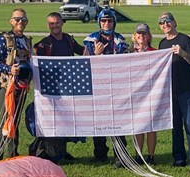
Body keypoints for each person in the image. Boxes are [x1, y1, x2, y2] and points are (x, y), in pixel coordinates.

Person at [33, 12, 86, 162]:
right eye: (51, 23)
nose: (55, 26)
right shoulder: (44, 44)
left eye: (57, 23)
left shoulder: (69, 39)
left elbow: (82, 51)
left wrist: (95, 50)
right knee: (53, 120)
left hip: (68, 88)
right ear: (47, 25)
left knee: (66, 120)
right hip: (51, 90)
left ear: (62, 23)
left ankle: (61, 151)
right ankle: (50, 151)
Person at [83, 8, 129, 168]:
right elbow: (84, 64)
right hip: (97, 87)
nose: (107, 23)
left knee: (118, 122)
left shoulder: (120, 41)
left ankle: (120, 156)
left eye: (110, 20)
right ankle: (100, 154)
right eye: (103, 20)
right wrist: (94, 55)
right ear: (99, 22)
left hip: (116, 88)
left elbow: (127, 65)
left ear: (114, 22)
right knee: (98, 122)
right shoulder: (90, 41)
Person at [158, 12, 190, 173]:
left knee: (189, 124)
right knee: (175, 126)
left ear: (174, 22)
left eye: (168, 21)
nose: (165, 24)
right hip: (170, 91)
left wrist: (183, 53)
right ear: (160, 27)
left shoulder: (185, 40)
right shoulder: (162, 44)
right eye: (162, 23)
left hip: (187, 90)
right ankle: (179, 158)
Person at [0, 8, 33, 161]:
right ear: (11, 21)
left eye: (23, 20)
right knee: (6, 119)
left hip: (22, 87)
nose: (20, 22)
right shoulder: (4, 39)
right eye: (17, 19)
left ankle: (12, 155)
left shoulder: (27, 41)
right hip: (6, 85)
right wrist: (9, 69)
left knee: (15, 120)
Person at [130, 23, 157, 165]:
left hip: (151, 94)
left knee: (151, 127)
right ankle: (138, 155)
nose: (141, 36)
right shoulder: (129, 54)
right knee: (138, 127)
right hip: (136, 95)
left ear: (149, 37)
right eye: (138, 34)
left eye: (144, 34)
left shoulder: (155, 52)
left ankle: (151, 156)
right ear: (135, 36)